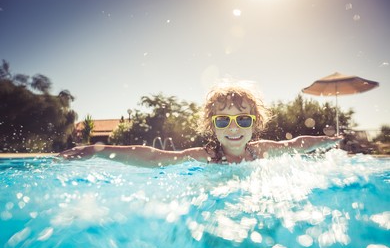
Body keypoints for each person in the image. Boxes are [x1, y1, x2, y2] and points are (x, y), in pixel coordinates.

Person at [59, 82, 341, 167]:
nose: (234, 127)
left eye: (243, 119)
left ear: (255, 124)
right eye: (223, 120)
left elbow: (295, 145)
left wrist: (329, 141)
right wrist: (98, 148)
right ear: (213, 126)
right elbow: (156, 157)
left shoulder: (261, 151)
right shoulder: (206, 156)